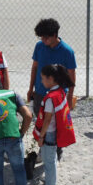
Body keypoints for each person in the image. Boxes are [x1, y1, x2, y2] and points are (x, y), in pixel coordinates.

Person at [27, 18, 77, 161]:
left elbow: (72, 77)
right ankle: (44, 149)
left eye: (46, 37)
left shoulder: (67, 51)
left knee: (56, 125)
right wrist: (31, 89)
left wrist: (69, 98)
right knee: (41, 123)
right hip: (40, 94)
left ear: (55, 35)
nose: (43, 40)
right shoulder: (39, 46)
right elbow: (34, 68)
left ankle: (57, 149)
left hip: (57, 97)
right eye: (41, 37)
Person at [33, 64, 76, 185]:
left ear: (51, 79)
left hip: (49, 134)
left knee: (48, 160)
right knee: (51, 158)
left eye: (43, 78)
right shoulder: (61, 92)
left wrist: (41, 137)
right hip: (55, 132)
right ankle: (50, 181)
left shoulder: (50, 98)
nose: (41, 81)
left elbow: (46, 120)